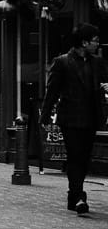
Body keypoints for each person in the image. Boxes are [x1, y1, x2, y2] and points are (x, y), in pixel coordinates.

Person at [40, 23, 108, 215]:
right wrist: (45, 115)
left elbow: (104, 83)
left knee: (84, 158)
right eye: (95, 40)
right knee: (75, 156)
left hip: (91, 117)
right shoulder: (62, 62)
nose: (97, 44)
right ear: (84, 42)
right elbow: (52, 91)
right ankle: (79, 197)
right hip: (70, 118)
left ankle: (74, 197)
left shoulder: (97, 62)